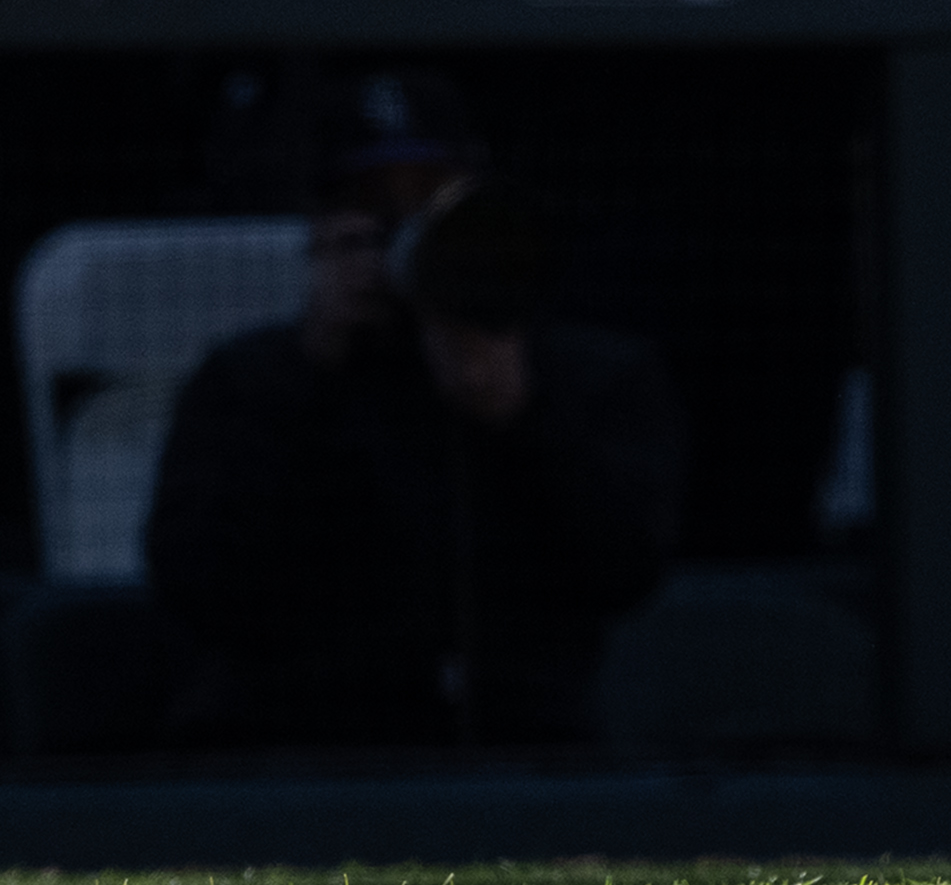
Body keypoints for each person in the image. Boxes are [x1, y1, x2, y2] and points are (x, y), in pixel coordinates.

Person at [147, 84, 683, 748]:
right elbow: (195, 586)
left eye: (429, 198)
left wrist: (519, 417)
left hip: (519, 738)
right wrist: (318, 376)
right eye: (371, 207)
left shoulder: (584, 373)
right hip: (292, 736)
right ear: (321, 232)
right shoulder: (249, 378)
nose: (401, 230)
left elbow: (626, 573)